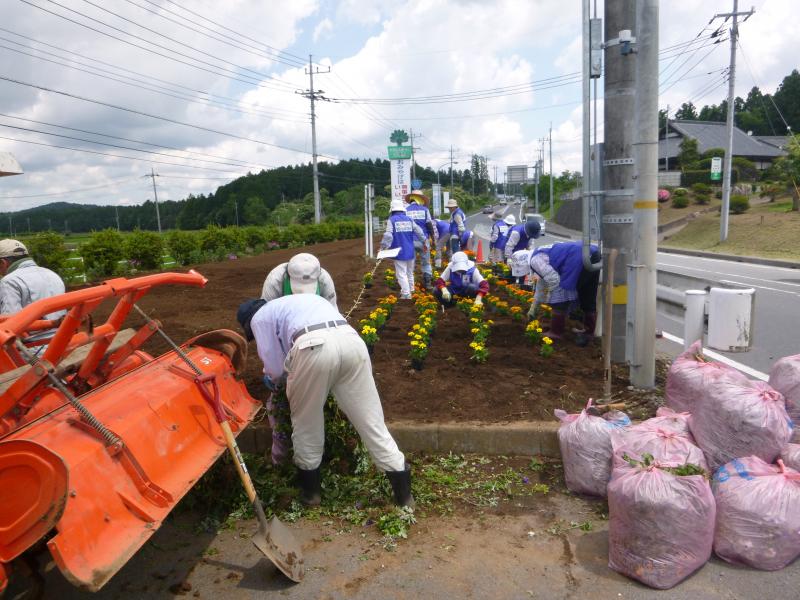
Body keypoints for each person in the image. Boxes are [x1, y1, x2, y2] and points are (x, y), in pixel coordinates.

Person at [236, 295, 413, 507]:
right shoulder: (300, 302)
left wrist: (275, 382)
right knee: (371, 421)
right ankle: (404, 496)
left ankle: (311, 495)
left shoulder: (259, 318)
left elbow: (274, 368)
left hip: (313, 347)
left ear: (248, 321)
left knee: (306, 423)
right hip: (352, 342)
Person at [527, 241, 601, 346]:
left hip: (578, 257)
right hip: (593, 253)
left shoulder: (535, 260)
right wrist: (533, 310)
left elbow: (554, 280)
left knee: (561, 292)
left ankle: (556, 332)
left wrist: (553, 299)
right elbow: (541, 285)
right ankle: (589, 332)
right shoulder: (542, 252)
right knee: (587, 294)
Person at [0, 239, 66, 351]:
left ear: (3, 263)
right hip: (62, 342)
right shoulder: (52, 274)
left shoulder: (9, 281)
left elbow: (10, 326)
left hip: (34, 350)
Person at [380, 198, 426, 299]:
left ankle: (406, 294)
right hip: (410, 251)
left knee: (401, 274)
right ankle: (412, 290)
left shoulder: (391, 220)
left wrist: (383, 247)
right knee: (409, 272)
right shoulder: (409, 219)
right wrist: (424, 242)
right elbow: (419, 231)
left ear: (392, 210)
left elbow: (388, 236)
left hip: (399, 252)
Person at [261, 252, 337, 308]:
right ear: (289, 274)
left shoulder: (324, 280)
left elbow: (332, 310)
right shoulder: (275, 280)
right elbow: (265, 313)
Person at [404, 190, 438, 290]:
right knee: (426, 262)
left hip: (409, 241)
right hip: (423, 241)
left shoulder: (406, 211)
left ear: (411, 199)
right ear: (421, 199)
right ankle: (427, 284)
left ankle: (410, 285)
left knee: (410, 264)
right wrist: (433, 238)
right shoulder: (424, 210)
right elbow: (429, 224)